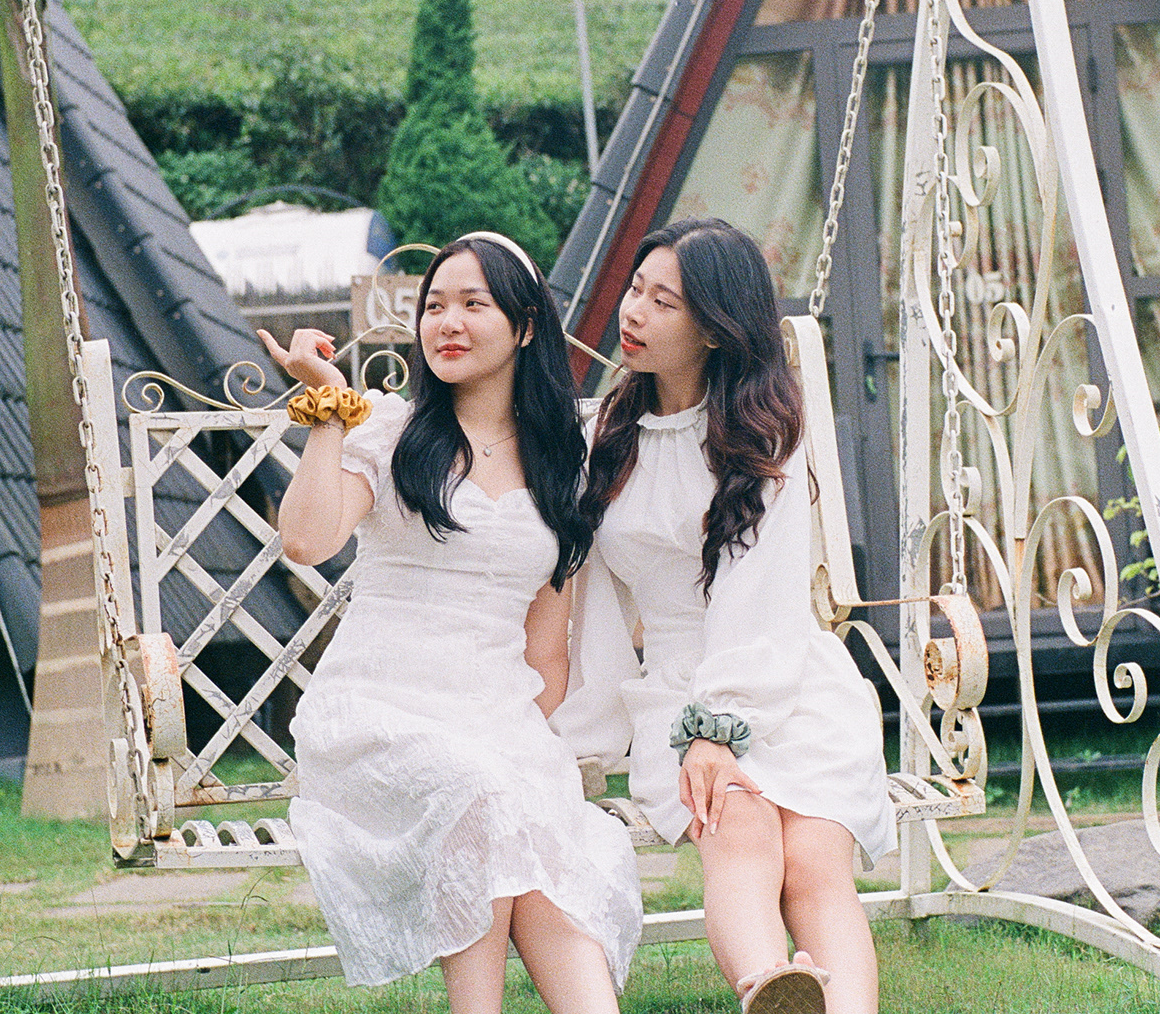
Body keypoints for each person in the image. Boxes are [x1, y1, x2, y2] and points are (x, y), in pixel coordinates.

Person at [257, 231, 641, 1014]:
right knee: (483, 798)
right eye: (434, 305)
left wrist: (530, 750)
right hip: (378, 711)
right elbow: (306, 539)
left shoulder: (558, 464)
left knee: (548, 862)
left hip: (498, 720)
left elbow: (547, 651)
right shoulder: (393, 430)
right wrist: (328, 407)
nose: (448, 322)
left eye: (473, 303)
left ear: (525, 326)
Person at [554, 217, 895, 1014]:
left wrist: (719, 727)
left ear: (712, 328)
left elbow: (759, 597)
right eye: (635, 289)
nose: (633, 311)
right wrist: (588, 730)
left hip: (786, 674)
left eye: (663, 301)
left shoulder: (762, 431)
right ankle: (770, 986)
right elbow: (594, 601)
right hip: (674, 687)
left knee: (813, 857)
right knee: (737, 823)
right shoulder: (604, 437)